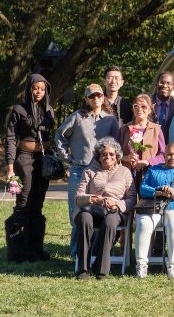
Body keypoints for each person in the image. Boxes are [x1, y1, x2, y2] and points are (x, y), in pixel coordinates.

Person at [54, 83, 120, 258]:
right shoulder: (77, 117)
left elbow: (116, 144)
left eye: (98, 95)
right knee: (77, 212)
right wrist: (67, 158)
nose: (96, 99)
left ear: (103, 97)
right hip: (79, 170)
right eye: (92, 96)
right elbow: (59, 135)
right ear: (86, 99)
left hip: (101, 172)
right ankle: (77, 254)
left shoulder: (110, 120)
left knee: (99, 211)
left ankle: (96, 252)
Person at [4, 73, 55, 262]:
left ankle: (35, 249)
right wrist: (10, 168)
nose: (39, 92)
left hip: (43, 160)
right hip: (24, 159)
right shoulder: (19, 110)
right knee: (23, 204)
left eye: (42, 89)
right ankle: (17, 252)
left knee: (38, 205)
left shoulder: (49, 110)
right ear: (29, 89)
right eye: (35, 88)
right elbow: (10, 139)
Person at [134, 143, 174, 279]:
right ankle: (141, 265)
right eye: (169, 154)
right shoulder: (153, 170)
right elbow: (143, 188)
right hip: (155, 208)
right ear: (163, 156)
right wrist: (159, 191)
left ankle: (173, 266)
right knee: (143, 223)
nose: (172, 157)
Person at [74, 137, 136, 280]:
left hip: (114, 211)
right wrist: (92, 198)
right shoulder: (89, 171)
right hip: (91, 209)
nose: (108, 156)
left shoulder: (125, 172)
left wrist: (117, 205)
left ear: (117, 156)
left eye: (111, 154)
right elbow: (78, 197)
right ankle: (82, 269)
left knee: (110, 222)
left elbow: (132, 199)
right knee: (84, 219)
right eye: (104, 154)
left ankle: (100, 269)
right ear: (99, 156)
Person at [118, 94, 166, 188]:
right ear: (132, 108)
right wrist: (124, 158)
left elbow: (163, 154)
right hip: (126, 174)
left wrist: (147, 162)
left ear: (149, 110)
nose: (139, 109)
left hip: (149, 174)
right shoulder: (124, 129)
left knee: (145, 202)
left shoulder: (156, 129)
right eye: (136, 106)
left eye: (143, 106)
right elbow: (114, 153)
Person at [152, 71, 174, 141]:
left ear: (173, 87)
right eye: (161, 82)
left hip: (169, 148)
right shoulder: (145, 104)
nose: (164, 86)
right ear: (156, 84)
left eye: (169, 83)